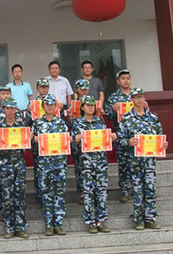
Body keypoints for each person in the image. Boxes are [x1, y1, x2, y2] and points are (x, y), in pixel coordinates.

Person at [116, 88, 167, 230]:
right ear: (131, 99)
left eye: (141, 97)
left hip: (149, 160)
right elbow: (119, 140)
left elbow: (159, 136)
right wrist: (129, 142)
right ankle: (138, 219)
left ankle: (150, 218)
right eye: (136, 97)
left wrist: (163, 144)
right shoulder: (126, 118)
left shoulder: (153, 117)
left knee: (150, 188)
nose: (139, 100)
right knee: (137, 190)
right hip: (134, 161)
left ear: (144, 98)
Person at [71, 95, 112, 233]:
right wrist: (76, 140)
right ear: (82, 107)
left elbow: (105, 142)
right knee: (88, 192)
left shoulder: (100, 122)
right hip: (86, 162)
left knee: (101, 191)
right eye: (87, 105)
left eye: (92, 105)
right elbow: (73, 146)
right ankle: (90, 222)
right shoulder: (77, 123)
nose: (90, 108)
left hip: (101, 161)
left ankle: (101, 220)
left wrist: (111, 137)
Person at [31, 94, 70, 236]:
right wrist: (34, 140)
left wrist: (69, 140)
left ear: (55, 106)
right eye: (47, 104)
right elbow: (31, 145)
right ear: (43, 106)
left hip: (59, 163)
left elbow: (67, 142)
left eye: (52, 104)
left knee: (59, 192)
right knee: (46, 193)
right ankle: (49, 223)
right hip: (44, 164)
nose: (49, 107)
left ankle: (58, 223)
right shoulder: (36, 123)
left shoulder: (61, 123)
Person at [0, 97, 28, 238]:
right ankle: (9, 227)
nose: (10, 111)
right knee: (7, 196)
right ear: (3, 109)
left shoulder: (21, 125)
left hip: (19, 163)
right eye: (7, 108)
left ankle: (21, 227)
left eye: (12, 108)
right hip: (4, 165)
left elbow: (26, 148)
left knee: (20, 195)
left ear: (16, 109)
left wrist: (29, 138)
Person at [105, 69, 134, 202]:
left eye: (128, 78)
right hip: (121, 135)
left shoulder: (136, 95)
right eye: (123, 79)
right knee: (123, 163)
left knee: (137, 163)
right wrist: (113, 110)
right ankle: (124, 190)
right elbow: (109, 117)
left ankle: (137, 188)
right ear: (118, 81)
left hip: (136, 135)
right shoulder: (114, 97)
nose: (126, 81)